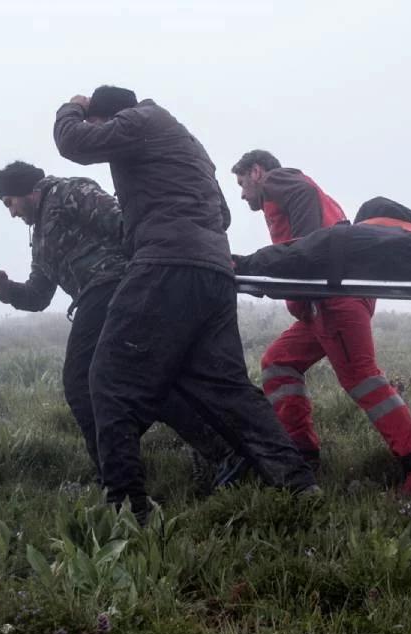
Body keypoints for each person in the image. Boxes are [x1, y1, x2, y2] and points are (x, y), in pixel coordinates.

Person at [53, 86, 318, 521]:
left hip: (165, 265)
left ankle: (127, 506)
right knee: (227, 387)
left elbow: (73, 143)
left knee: (107, 379)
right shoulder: (186, 143)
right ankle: (298, 482)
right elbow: (224, 215)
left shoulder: (139, 121)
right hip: (211, 271)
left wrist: (73, 108)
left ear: (110, 116)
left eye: (101, 125)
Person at [0, 161, 246, 491]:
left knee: (80, 382)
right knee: (145, 384)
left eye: (9, 202)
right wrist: (7, 289)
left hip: (117, 287)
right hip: (96, 297)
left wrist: (159, 273)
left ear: (27, 191)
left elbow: (125, 224)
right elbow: (38, 296)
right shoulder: (40, 238)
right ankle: (223, 453)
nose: (11, 212)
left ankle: (114, 478)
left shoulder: (69, 191)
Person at [231, 150, 411, 493]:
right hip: (323, 303)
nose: (242, 194)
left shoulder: (281, 182)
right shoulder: (287, 198)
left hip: (336, 300)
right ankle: (301, 453)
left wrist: (247, 264)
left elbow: (307, 248)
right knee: (279, 362)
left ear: (257, 172)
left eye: (242, 183)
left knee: (361, 377)